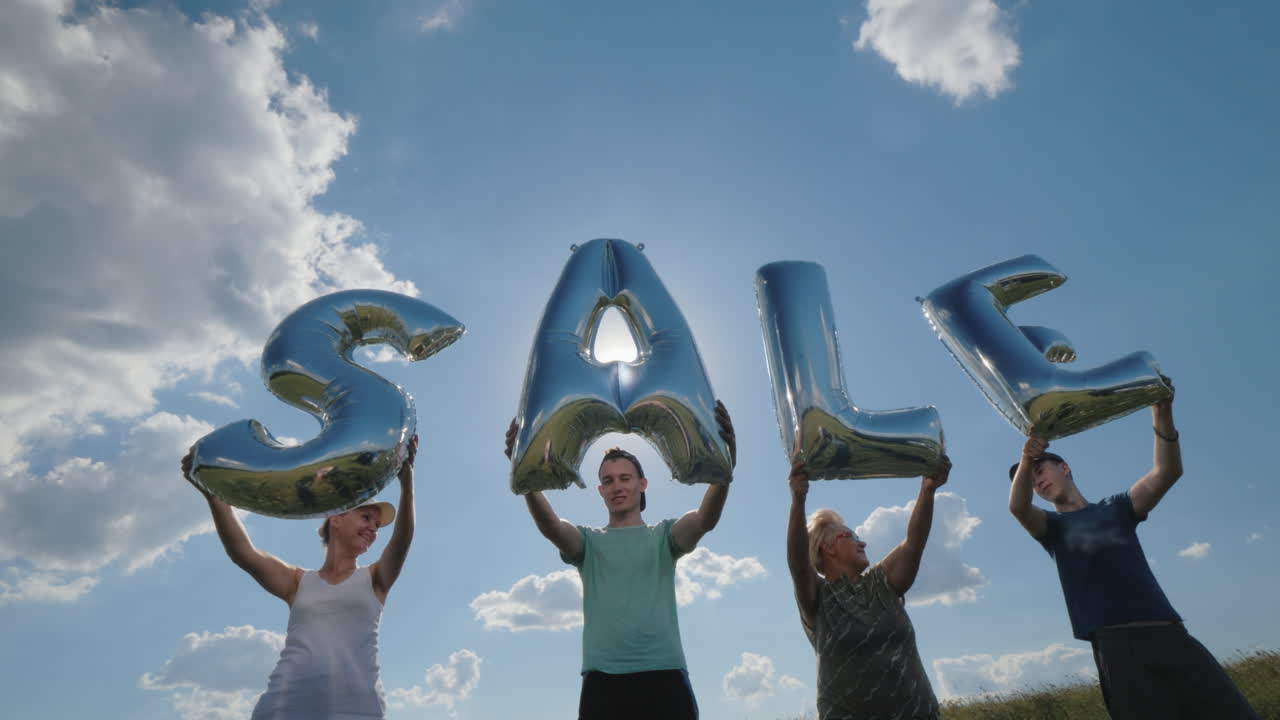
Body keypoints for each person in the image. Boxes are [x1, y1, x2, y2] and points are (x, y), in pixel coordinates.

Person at [1008, 379, 1258, 719]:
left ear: (1064, 468)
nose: (1036, 481)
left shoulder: (1117, 508)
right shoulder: (1051, 528)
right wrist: (1026, 460)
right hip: (1117, 650)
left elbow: (1167, 471)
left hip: (1170, 634)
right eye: (1031, 479)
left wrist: (1161, 409)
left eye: (1041, 470)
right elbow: (1018, 508)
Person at [504, 401, 736, 720]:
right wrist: (525, 472)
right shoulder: (588, 543)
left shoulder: (664, 537)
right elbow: (551, 526)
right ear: (600, 491)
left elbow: (704, 519)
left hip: (664, 677)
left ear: (642, 485)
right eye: (609, 480)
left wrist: (725, 465)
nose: (617, 486)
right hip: (604, 684)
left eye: (625, 478)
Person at [181, 436, 418, 720]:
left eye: (377, 525)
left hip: (357, 709)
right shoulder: (297, 582)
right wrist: (213, 496)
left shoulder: (376, 579)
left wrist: (407, 483)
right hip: (285, 706)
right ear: (337, 518)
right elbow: (244, 554)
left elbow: (402, 540)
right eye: (366, 517)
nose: (373, 529)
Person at [787, 454, 952, 720]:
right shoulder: (818, 599)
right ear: (826, 547)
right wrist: (798, 499)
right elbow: (798, 565)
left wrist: (928, 490)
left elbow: (913, 542)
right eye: (850, 535)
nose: (861, 542)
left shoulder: (882, 584)